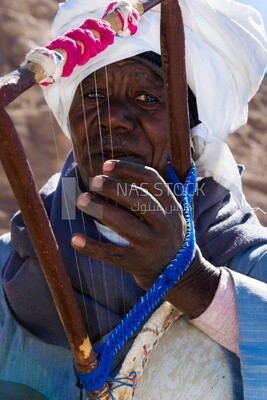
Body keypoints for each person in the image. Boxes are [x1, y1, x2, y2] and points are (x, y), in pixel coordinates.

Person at [0, 0, 267, 399]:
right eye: (92, 95)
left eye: (147, 98)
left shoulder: (246, 261)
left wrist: (194, 282)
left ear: (193, 129)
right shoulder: (11, 263)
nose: (113, 118)